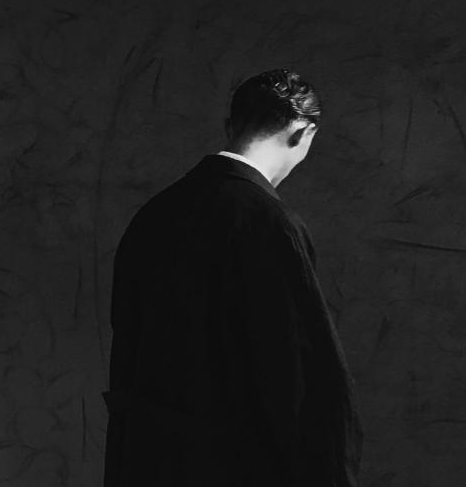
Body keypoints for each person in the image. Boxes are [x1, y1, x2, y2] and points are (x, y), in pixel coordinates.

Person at [102, 68, 364, 486]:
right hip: (238, 465)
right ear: (303, 132)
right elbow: (299, 372)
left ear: (230, 126)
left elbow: (127, 345)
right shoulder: (271, 223)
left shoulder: (155, 214)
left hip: (147, 461)